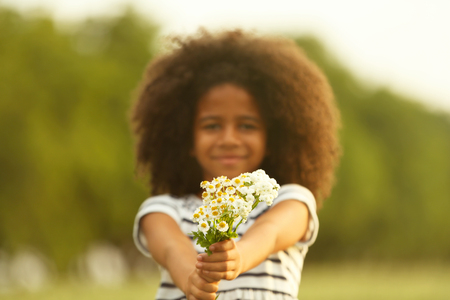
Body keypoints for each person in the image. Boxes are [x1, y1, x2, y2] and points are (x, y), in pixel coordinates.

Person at [131, 29, 340, 300]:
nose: (229, 139)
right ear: (186, 138)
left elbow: (271, 233)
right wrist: (193, 280)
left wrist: (239, 256)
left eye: (246, 125)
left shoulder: (290, 200)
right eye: (212, 125)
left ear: (273, 136)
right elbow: (173, 250)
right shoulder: (163, 211)